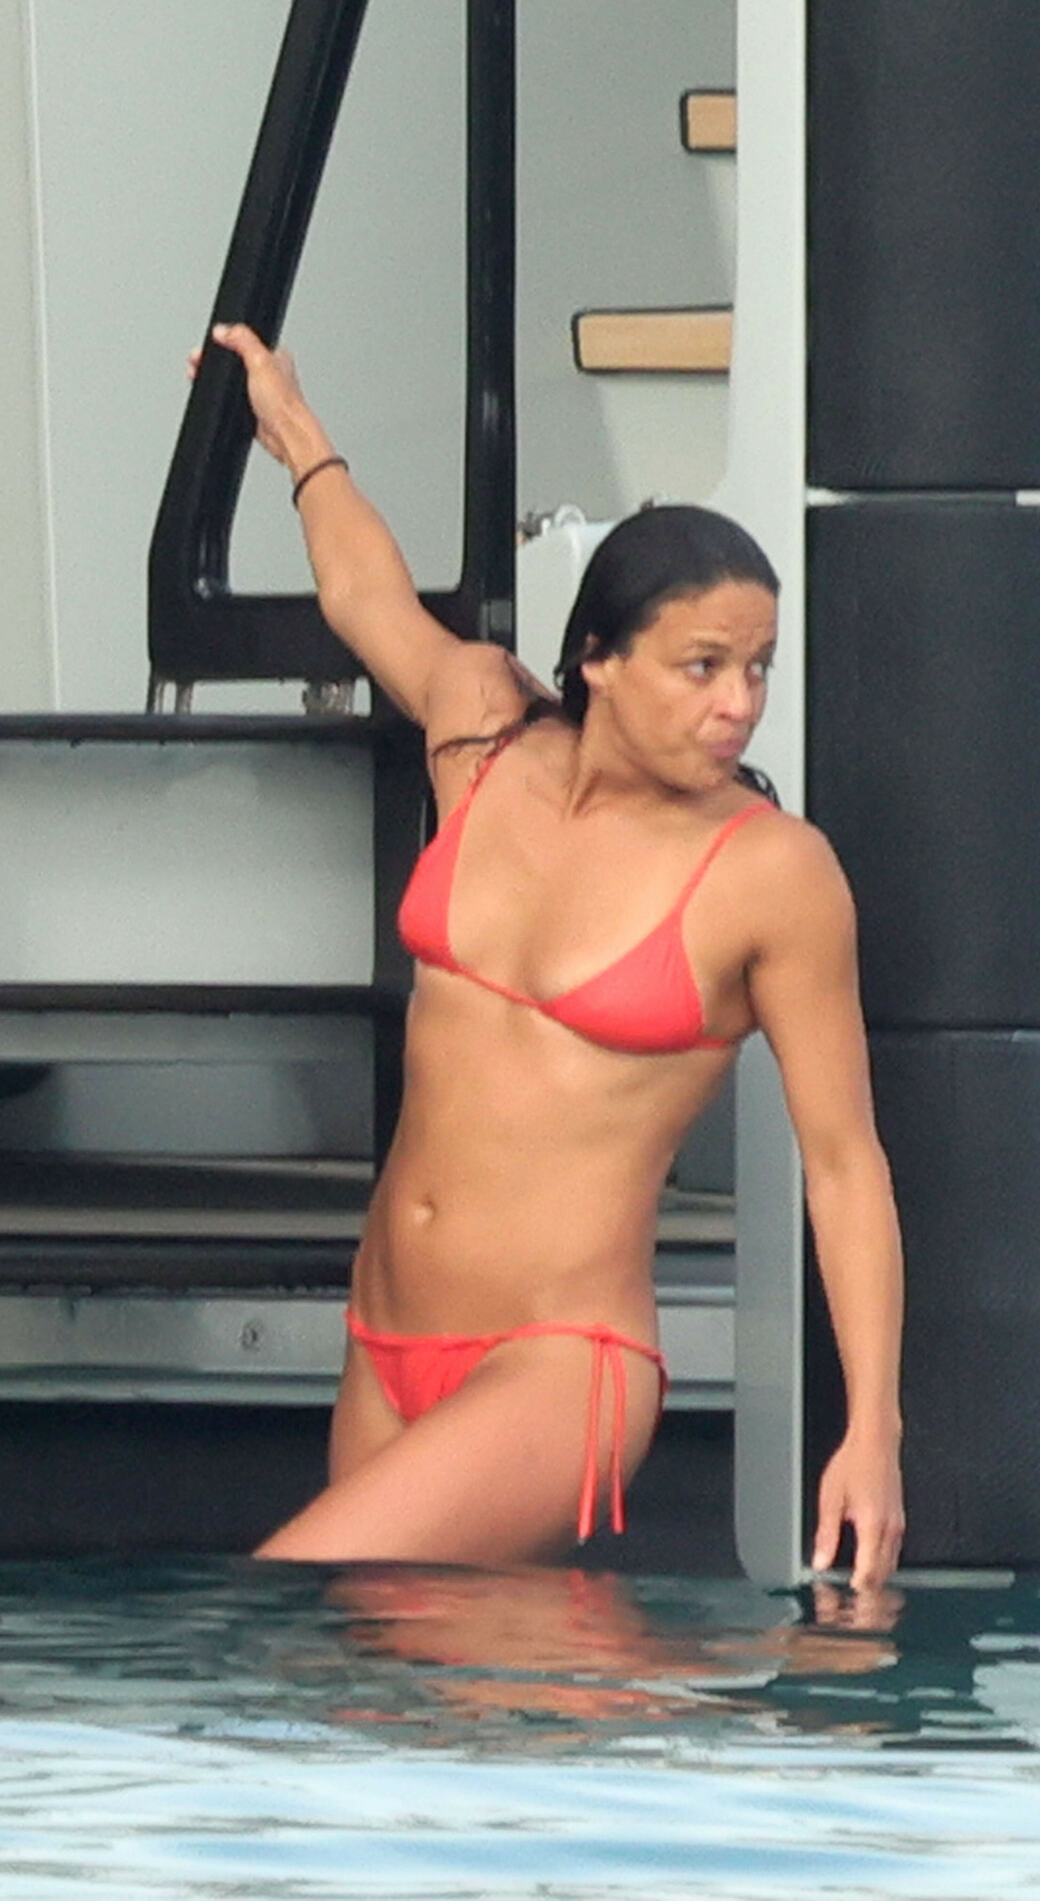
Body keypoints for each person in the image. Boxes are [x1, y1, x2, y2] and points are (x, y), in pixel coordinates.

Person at [196, 322, 905, 1588]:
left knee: (303, 1593)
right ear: (598, 661)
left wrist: (872, 1432)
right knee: (434, 1674)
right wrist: (293, 431)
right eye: (701, 667)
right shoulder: (483, 734)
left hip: (558, 1363)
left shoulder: (772, 875)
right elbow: (366, 598)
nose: (738, 703)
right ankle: (644, 1708)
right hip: (385, 1336)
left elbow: (844, 1164)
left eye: (756, 668)